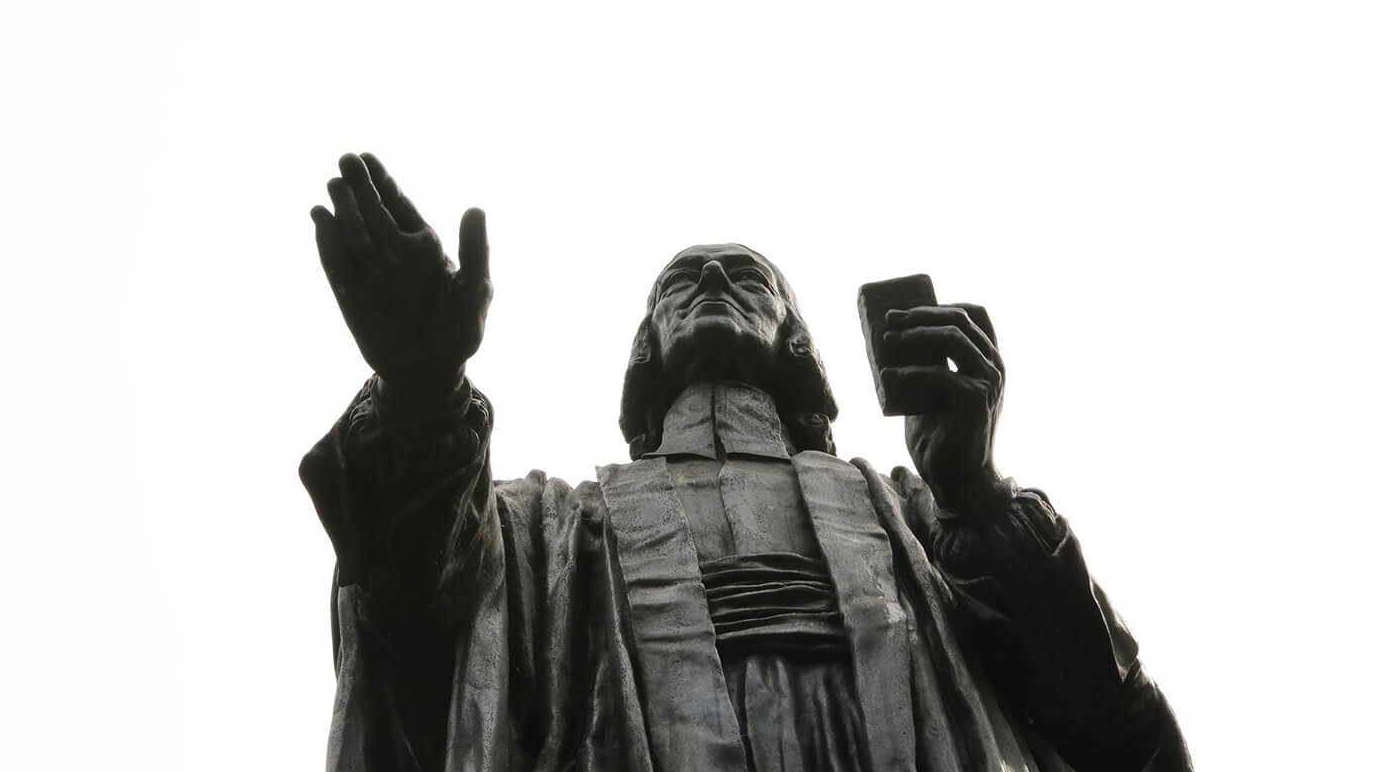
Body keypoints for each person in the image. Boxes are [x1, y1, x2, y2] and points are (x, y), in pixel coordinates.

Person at [301, 153, 1191, 772]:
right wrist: (422, 392)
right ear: (646, 344)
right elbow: (413, 603)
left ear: (795, 337)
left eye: (745, 276)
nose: (714, 284)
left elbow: (1116, 730)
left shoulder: (916, 515)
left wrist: (975, 495)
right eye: (680, 284)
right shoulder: (550, 524)